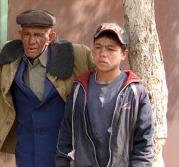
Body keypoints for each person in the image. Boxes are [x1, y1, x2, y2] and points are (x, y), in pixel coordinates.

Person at [0, 9, 96, 166]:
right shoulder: (11, 55)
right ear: (20, 34)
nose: (31, 41)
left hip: (62, 151)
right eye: (26, 34)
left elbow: (104, 75)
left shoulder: (76, 55)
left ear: (50, 37)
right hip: (25, 152)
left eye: (38, 35)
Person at [55, 23, 154, 167]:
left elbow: (144, 145)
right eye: (98, 47)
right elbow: (66, 135)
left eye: (110, 49)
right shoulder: (79, 89)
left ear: (124, 54)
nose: (102, 53)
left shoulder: (134, 93)